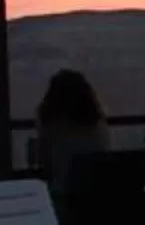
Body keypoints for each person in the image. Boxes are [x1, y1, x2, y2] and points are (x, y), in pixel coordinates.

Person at [29, 68, 110, 206]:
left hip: (63, 198)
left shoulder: (52, 128)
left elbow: (45, 165)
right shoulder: (97, 126)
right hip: (95, 198)